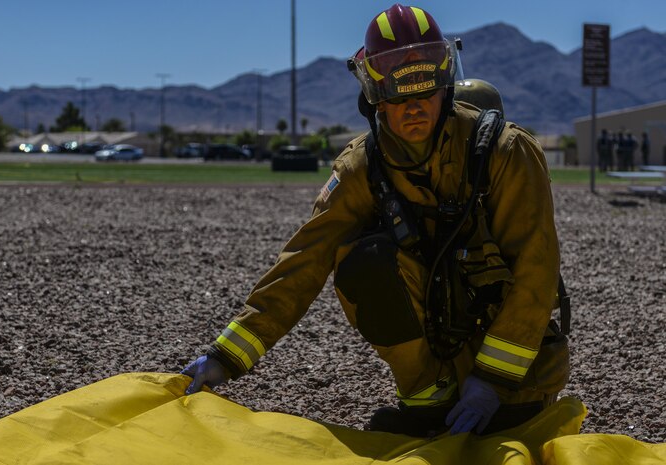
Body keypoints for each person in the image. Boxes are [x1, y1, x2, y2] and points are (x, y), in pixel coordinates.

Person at [182, 3, 569, 438]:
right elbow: (304, 261)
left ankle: (497, 399)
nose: (414, 107)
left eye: (425, 90)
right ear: (374, 94)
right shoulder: (361, 169)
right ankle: (427, 400)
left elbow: (536, 272)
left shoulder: (505, 152)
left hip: (517, 377)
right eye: (400, 94)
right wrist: (227, 355)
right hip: (437, 366)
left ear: (446, 82)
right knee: (361, 258)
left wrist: (494, 381)